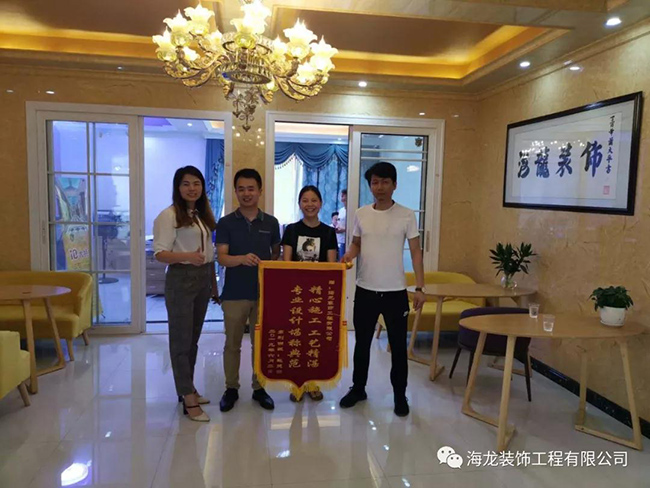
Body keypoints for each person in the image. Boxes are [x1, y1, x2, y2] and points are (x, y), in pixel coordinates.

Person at [339, 162, 426, 417]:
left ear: (394, 185)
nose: (380, 187)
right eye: (375, 182)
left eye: (385, 182)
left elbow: (416, 252)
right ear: (370, 186)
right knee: (362, 344)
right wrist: (349, 255)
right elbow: (356, 243)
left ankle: (400, 395)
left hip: (395, 292)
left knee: (398, 347)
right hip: (365, 289)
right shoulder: (361, 214)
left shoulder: (406, 215)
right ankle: (358, 389)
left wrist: (419, 287)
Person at [153, 166, 218, 423]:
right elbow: (160, 253)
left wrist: (213, 285)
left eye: (196, 183)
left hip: (202, 278)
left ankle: (188, 387)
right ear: (177, 188)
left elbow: (208, 251)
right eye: (186, 184)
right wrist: (188, 256)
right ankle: (187, 397)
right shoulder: (168, 215)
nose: (192, 188)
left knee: (192, 340)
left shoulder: (200, 214)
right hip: (181, 278)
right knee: (180, 341)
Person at [216, 168, 280, 412]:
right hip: (234, 293)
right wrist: (241, 259)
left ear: (260, 191)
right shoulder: (225, 222)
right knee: (232, 344)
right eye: (241, 189)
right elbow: (222, 257)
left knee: (260, 343)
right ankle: (231, 388)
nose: (246, 193)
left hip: (265, 294)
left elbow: (276, 255)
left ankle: (259, 387)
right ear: (235, 192)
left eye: (251, 188)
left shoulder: (271, 222)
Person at [281, 185, 338, 402]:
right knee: (295, 339)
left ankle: (313, 383)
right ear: (299, 204)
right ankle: (296, 384)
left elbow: (331, 266)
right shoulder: (291, 230)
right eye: (305, 200)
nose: (310, 204)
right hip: (295, 294)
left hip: (318, 296)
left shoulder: (328, 232)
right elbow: (286, 264)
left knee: (315, 339)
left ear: (321, 203)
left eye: (314, 200)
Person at [335, 189, 347, 258]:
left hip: (346, 241)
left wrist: (344, 229)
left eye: (343, 196)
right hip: (340, 240)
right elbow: (338, 222)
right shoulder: (341, 210)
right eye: (341, 196)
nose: (342, 198)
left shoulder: (351, 210)